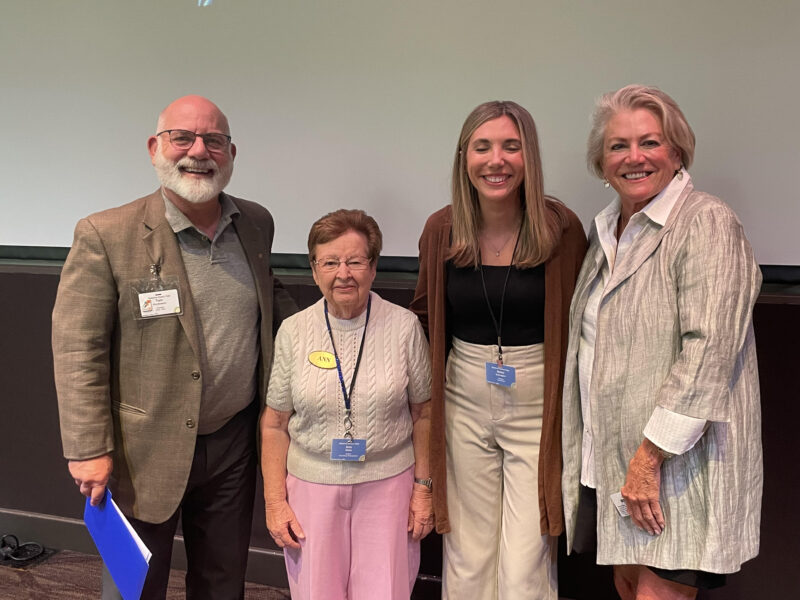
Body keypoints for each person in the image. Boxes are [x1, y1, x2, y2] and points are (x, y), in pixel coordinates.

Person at [52, 95, 296, 599]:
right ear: (154, 147)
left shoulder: (255, 223)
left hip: (232, 442)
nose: (198, 151)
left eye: (214, 140)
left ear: (231, 152)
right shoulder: (106, 233)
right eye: (182, 137)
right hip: (142, 448)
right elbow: (78, 348)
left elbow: (270, 307)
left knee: (223, 582)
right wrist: (87, 449)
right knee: (132, 586)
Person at [561, 84, 762, 600]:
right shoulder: (607, 229)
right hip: (614, 463)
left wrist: (649, 459)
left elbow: (709, 352)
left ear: (677, 151)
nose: (634, 158)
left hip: (671, 468)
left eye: (649, 143)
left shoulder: (706, 222)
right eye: (617, 146)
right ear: (601, 161)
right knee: (629, 585)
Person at [411, 101, 587, 599]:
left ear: (529, 155)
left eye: (511, 146)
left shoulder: (561, 228)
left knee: (525, 558)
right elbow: (426, 318)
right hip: (463, 391)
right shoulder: (441, 229)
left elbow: (580, 321)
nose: (497, 160)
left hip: (537, 398)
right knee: (467, 552)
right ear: (463, 156)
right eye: (482, 147)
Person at [261, 209, 433, 600]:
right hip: (311, 492)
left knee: (385, 591)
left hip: (388, 491)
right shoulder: (294, 330)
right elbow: (274, 423)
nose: (344, 273)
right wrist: (274, 502)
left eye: (355, 261)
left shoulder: (404, 326)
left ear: (373, 267)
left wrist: (424, 489)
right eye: (331, 262)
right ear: (314, 268)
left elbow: (424, 413)